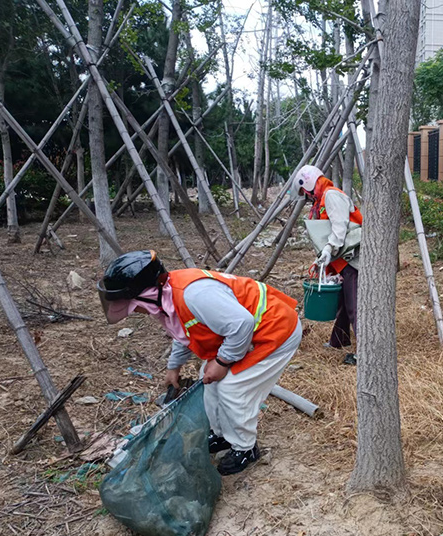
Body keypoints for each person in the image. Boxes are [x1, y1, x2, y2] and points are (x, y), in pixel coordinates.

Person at [97, 250, 302, 476]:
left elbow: (242, 324)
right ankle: (222, 434)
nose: (137, 310)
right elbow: (184, 331)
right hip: (247, 335)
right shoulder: (164, 298)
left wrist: (223, 362)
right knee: (208, 378)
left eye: (135, 305)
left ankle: (245, 448)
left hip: (274, 330)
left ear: (147, 293)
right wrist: (174, 366)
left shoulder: (195, 295)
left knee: (233, 387)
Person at [293, 165, 361, 366]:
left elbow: (339, 226)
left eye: (305, 191)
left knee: (354, 306)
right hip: (343, 259)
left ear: (310, 184)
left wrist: (330, 248)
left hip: (352, 258)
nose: (306, 196)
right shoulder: (323, 199)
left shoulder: (331, 196)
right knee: (343, 301)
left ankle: (365, 352)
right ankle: (339, 340)